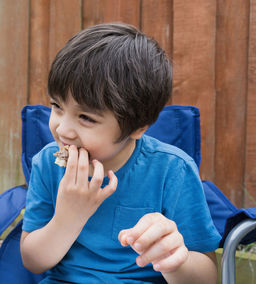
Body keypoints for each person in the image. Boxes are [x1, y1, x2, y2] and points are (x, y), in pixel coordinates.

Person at [20, 23, 221, 283]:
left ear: (137, 128)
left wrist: (174, 258)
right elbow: (33, 262)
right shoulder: (48, 163)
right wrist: (68, 218)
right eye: (57, 106)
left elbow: (207, 278)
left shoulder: (172, 170)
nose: (63, 130)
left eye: (86, 118)